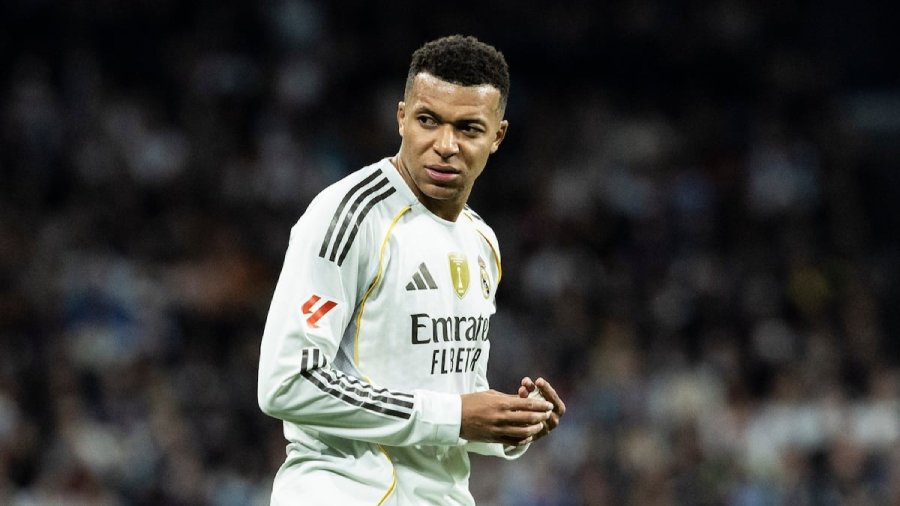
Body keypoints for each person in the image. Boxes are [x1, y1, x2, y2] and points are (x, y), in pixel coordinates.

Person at [257, 34, 566, 505]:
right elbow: (288, 381)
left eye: (468, 128)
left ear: (498, 136)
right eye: (428, 120)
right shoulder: (349, 216)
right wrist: (455, 415)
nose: (445, 145)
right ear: (401, 117)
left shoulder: (481, 241)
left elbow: (452, 398)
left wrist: (508, 424)